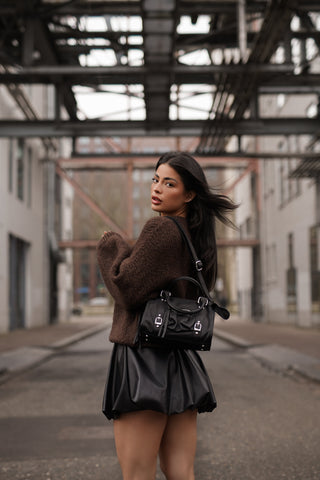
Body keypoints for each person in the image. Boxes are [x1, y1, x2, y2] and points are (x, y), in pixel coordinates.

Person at [96, 151, 237, 480]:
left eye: (169, 183)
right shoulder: (195, 238)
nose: (157, 188)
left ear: (188, 194)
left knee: (137, 474)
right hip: (181, 363)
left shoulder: (160, 230)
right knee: (180, 471)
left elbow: (127, 288)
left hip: (143, 362)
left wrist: (111, 245)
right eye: (155, 179)